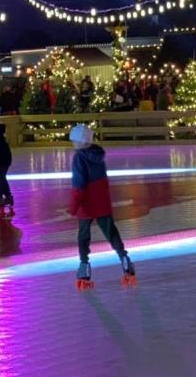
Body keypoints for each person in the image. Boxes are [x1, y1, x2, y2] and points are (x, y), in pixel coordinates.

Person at [67, 124, 135, 289]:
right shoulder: (98, 155)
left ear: (80, 142)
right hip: (102, 201)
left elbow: (79, 183)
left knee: (83, 236)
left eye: (74, 141)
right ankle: (125, 260)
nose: (73, 144)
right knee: (111, 232)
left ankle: (84, 268)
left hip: (87, 203)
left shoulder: (79, 158)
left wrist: (73, 206)